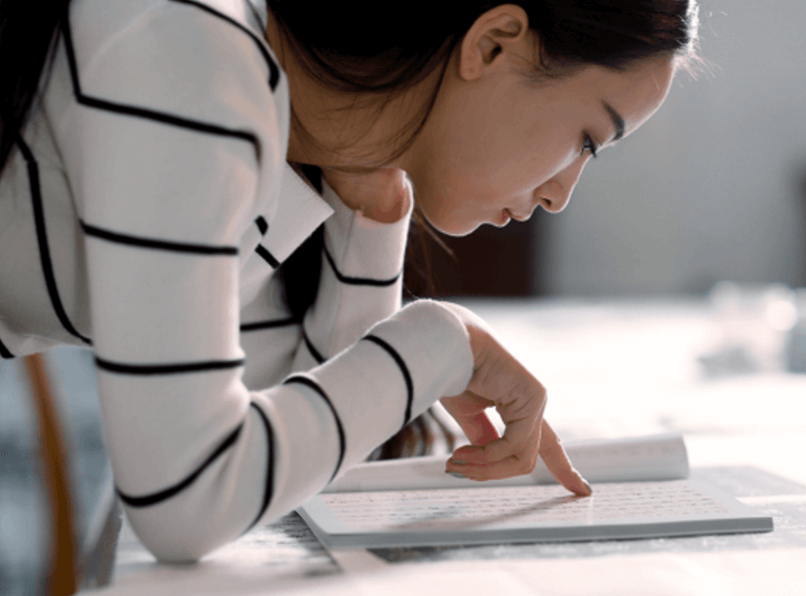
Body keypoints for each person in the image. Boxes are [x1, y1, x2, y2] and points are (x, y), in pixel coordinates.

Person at [0, 0, 700, 562]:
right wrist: (437, 343)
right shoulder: (195, 54)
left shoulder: (299, 146)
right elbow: (188, 498)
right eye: (588, 140)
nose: (561, 195)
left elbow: (300, 459)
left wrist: (371, 224)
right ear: (494, 42)